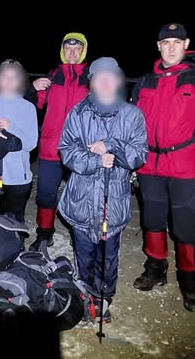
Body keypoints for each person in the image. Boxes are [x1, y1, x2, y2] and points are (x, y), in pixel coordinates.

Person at [132, 23, 195, 312]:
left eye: (177, 41)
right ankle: (155, 268)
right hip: (149, 166)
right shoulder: (145, 81)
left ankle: (189, 281)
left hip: (185, 165)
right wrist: (132, 161)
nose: (171, 47)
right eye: (166, 42)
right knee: (152, 220)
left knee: (185, 228)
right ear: (158, 46)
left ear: (186, 44)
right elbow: (132, 125)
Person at [58, 58, 148, 321]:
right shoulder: (77, 113)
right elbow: (67, 151)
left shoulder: (133, 115)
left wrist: (111, 146)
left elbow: (139, 154)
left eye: (111, 76)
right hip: (82, 199)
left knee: (108, 256)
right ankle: (85, 297)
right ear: (91, 82)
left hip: (114, 199)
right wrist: (96, 160)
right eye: (99, 77)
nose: (106, 82)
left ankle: (104, 297)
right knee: (84, 253)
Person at [25, 32, 89, 250]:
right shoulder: (52, 76)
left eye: (77, 48)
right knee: (45, 193)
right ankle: (44, 233)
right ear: (63, 51)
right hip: (51, 147)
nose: (72, 52)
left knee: (80, 195)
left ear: (83, 51)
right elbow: (32, 107)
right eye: (68, 48)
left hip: (80, 149)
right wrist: (32, 89)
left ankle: (79, 233)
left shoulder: (91, 77)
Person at [0, 60, 38, 221]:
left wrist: (12, 129)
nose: (9, 82)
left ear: (20, 80)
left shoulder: (28, 107)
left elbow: (31, 143)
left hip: (19, 176)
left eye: (14, 77)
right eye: (4, 77)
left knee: (16, 220)